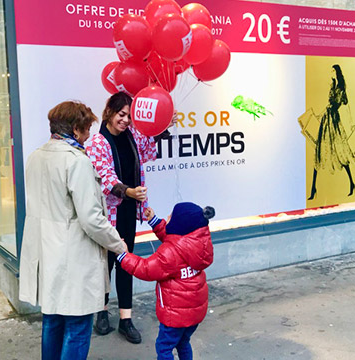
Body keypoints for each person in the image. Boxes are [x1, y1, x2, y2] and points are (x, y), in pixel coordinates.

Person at [19, 101, 127, 360]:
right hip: (73, 256)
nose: (89, 134)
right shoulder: (76, 161)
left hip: (46, 253)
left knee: (52, 320)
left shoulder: (36, 156)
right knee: (78, 326)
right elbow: (91, 218)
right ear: (76, 129)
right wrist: (118, 244)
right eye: (87, 128)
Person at [86, 92, 159, 343]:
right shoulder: (97, 142)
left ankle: (126, 320)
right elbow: (105, 177)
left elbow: (149, 153)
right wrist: (127, 191)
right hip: (107, 214)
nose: (126, 120)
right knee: (104, 264)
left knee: (126, 262)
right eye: (122, 114)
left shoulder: (133, 136)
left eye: (129, 116)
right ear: (109, 112)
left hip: (128, 211)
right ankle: (102, 311)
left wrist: (158, 127)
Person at [117, 203, 215, 360]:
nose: (168, 218)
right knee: (183, 343)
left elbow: (146, 269)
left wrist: (124, 255)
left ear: (179, 223)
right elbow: (173, 238)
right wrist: (154, 221)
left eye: (171, 216)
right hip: (194, 313)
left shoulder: (170, 252)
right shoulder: (199, 244)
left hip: (175, 314)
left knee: (164, 348)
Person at [308, 64, 355, 200]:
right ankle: (313, 188)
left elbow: (344, 103)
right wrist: (321, 114)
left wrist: (336, 109)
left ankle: (351, 182)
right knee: (319, 151)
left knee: (340, 152)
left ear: (337, 72)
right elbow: (329, 104)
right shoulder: (333, 85)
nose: (331, 72)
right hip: (326, 119)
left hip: (333, 121)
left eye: (333, 70)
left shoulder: (340, 88)